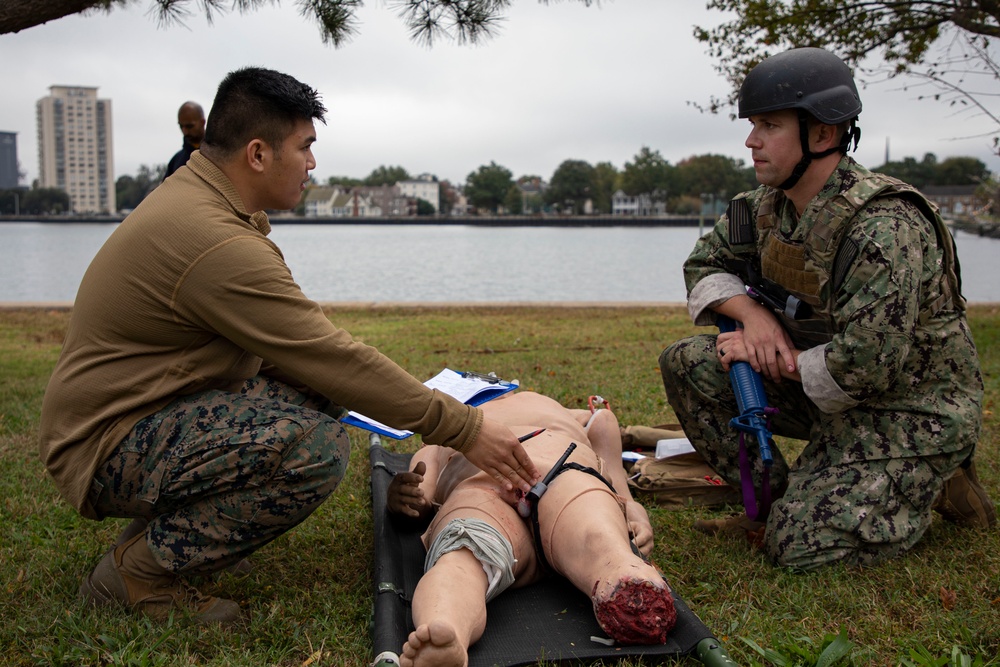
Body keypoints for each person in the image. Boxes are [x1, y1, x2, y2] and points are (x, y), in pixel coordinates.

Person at [38, 66, 539, 625]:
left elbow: (312, 361)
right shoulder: (216, 240)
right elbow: (331, 354)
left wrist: (376, 393)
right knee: (315, 447)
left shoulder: (202, 204)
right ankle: (139, 575)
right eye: (305, 147)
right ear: (257, 154)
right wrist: (464, 428)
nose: (312, 163)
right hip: (105, 443)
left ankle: (176, 541)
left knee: (313, 392)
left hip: (131, 414)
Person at [659, 47, 995, 572]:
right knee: (688, 363)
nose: (751, 141)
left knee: (801, 549)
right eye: (753, 125)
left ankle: (933, 475)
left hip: (908, 405)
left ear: (821, 134)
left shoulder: (882, 225)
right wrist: (754, 317)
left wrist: (777, 358)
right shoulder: (761, 210)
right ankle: (767, 505)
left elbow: (867, 365)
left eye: (769, 125)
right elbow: (703, 266)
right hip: (826, 387)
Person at [388, 391, 676, 667]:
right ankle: (446, 628)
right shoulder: (446, 421)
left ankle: (628, 585)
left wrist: (632, 508)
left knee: (597, 538)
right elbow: (419, 496)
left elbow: (604, 429)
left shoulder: (550, 407)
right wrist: (403, 498)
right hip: (485, 483)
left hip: (561, 469)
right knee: (461, 556)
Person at [163, 101, 205, 180]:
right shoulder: (176, 161)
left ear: (202, 122)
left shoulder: (219, 155)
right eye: (181, 126)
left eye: (189, 126)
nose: (184, 131)